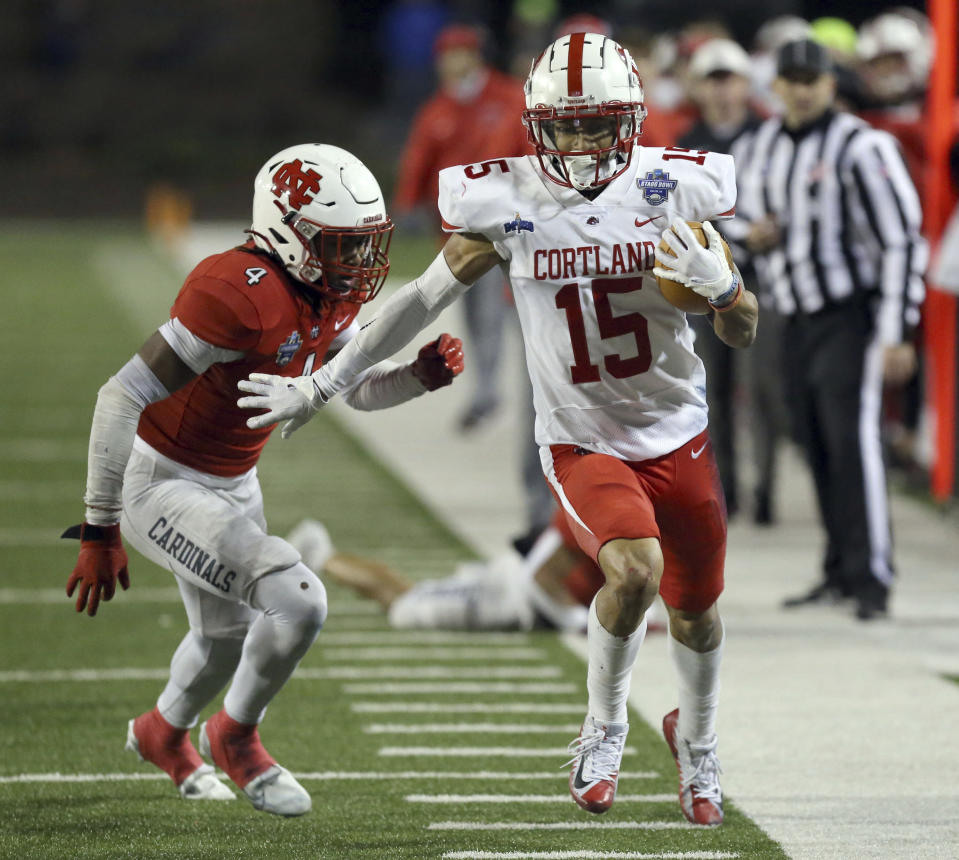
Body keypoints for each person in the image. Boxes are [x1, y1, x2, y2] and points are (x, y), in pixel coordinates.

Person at [238, 33, 759, 826]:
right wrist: (324, 381)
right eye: (565, 125)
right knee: (635, 572)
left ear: (632, 122)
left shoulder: (674, 189)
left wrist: (724, 291)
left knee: (696, 612)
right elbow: (415, 303)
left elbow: (743, 331)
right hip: (581, 437)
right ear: (533, 123)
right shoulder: (506, 201)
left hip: (678, 431)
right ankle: (605, 726)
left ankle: (698, 737)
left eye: (597, 125)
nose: (580, 143)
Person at [62, 144, 464, 816]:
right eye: (342, 246)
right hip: (163, 481)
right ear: (286, 230)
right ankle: (236, 736)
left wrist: (415, 379)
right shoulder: (236, 293)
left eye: (364, 245)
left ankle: (162, 732)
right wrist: (100, 524)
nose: (360, 264)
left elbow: (352, 391)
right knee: (297, 598)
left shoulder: (323, 292)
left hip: (235, 480)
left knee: (224, 641)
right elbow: (118, 396)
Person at [727, 39, 926, 620]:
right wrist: (749, 236)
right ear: (777, 86)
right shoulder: (757, 145)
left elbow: (901, 238)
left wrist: (896, 329)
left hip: (849, 313)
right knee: (812, 441)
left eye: (812, 78)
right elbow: (725, 216)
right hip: (790, 314)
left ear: (831, 84)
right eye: (791, 78)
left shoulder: (862, 146)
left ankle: (872, 576)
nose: (803, 88)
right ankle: (839, 568)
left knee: (854, 442)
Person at [678, 38, 786, 523]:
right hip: (707, 283)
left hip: (766, 278)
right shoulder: (683, 146)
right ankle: (729, 492)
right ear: (698, 88)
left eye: (731, 79)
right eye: (713, 81)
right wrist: (745, 232)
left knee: (764, 388)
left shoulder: (773, 134)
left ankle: (765, 491)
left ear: (746, 83)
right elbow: (683, 216)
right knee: (712, 389)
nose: (723, 92)